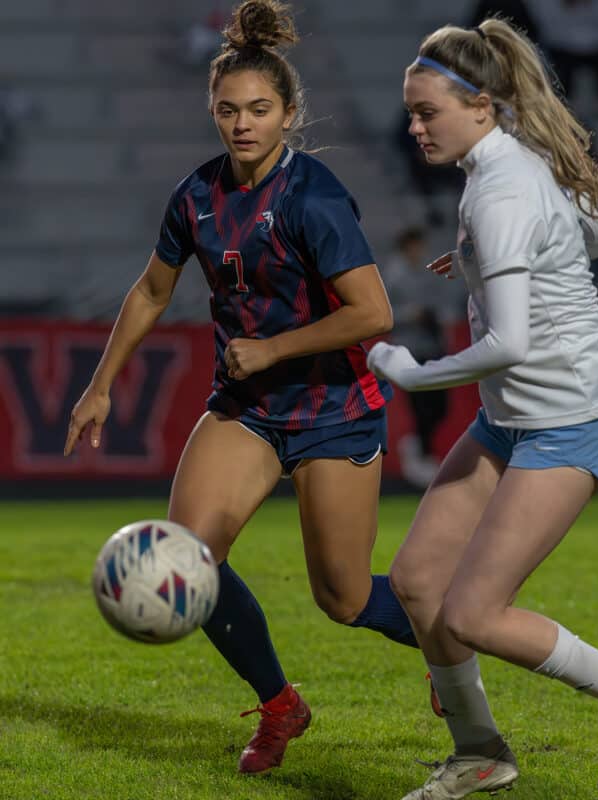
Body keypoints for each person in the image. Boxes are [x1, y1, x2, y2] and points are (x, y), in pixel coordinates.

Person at [63, 0, 421, 777]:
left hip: (332, 411)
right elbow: (153, 291)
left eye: (259, 109)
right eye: (228, 111)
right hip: (248, 411)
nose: (242, 124)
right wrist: (100, 386)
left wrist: (275, 349)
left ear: (290, 113)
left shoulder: (314, 197)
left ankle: (452, 640)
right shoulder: (195, 196)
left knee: (346, 600)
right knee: (191, 560)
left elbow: (374, 312)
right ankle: (279, 704)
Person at [368, 18, 598, 799]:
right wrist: (488, 260)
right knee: (416, 583)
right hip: (512, 416)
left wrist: (411, 372)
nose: (413, 127)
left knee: (473, 612)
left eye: (426, 112)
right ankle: (480, 751)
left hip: (566, 418)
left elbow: (506, 343)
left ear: (480, 107)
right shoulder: (508, 163)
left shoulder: (501, 190)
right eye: (411, 111)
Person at [381, 226, 457, 488]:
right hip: (409, 349)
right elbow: (384, 314)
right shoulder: (393, 274)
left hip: (433, 346)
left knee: (440, 407)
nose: (418, 251)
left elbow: (443, 304)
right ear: (406, 246)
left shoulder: (429, 271)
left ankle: (418, 447)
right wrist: (410, 314)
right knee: (421, 407)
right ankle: (422, 455)